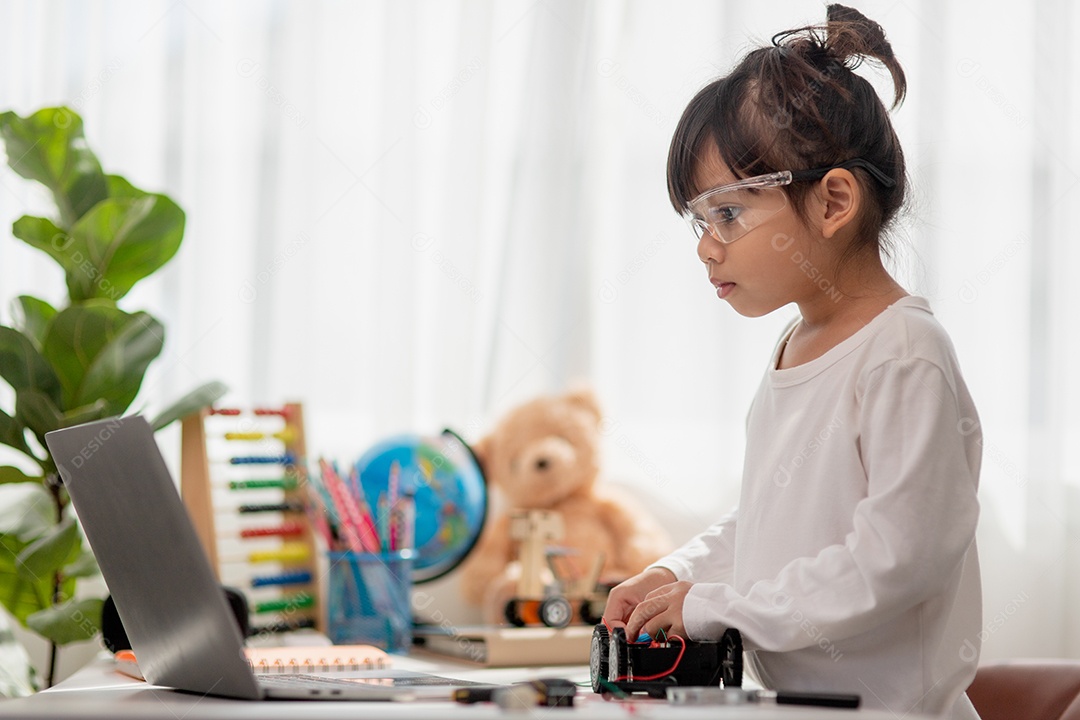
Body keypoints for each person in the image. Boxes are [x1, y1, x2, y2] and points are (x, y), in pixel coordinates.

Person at [602, 5, 982, 718]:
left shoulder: (903, 356)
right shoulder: (797, 345)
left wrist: (711, 608)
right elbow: (775, 526)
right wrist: (676, 576)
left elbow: (892, 561)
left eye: (728, 214)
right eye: (698, 220)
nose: (705, 246)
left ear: (834, 199)